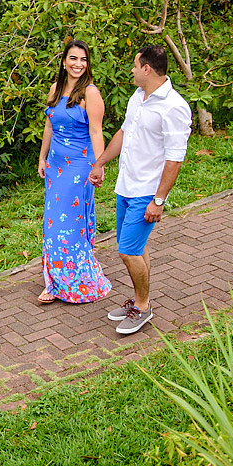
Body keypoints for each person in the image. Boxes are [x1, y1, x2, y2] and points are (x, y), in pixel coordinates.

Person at [89, 44, 192, 335]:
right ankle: (138, 299)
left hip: (147, 191)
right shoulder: (137, 97)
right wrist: (100, 163)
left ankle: (143, 307)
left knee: (128, 251)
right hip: (126, 186)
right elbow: (123, 132)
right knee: (136, 247)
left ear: (147, 69)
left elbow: (175, 159)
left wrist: (159, 200)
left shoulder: (174, 107)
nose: (132, 71)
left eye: (135, 66)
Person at [37, 39, 112, 305]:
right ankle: (54, 279)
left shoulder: (90, 93)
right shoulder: (56, 88)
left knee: (68, 225)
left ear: (87, 63)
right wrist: (42, 157)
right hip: (56, 167)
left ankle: (73, 280)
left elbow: (96, 131)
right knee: (52, 223)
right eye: (73, 58)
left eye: (83, 59)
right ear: (64, 61)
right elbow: (49, 126)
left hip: (79, 167)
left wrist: (99, 164)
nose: (78, 64)